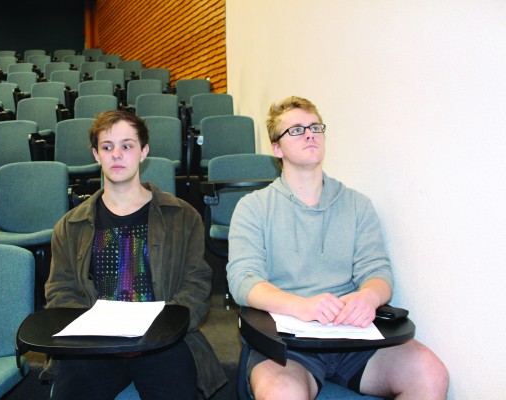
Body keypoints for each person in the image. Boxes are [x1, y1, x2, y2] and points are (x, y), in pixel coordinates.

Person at [226, 96, 449, 399]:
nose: (310, 134)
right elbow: (244, 280)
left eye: (316, 127)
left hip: (354, 339)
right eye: (296, 130)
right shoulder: (253, 207)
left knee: (430, 373)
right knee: (282, 394)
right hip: (288, 343)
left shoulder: (357, 205)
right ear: (276, 148)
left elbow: (378, 271)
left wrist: (368, 297)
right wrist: (301, 306)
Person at [44, 110, 227, 399]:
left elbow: (196, 287)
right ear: (96, 155)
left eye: (127, 146)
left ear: (143, 152)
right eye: (107, 147)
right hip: (95, 346)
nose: (116, 154)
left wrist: (156, 333)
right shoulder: (70, 226)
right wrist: (95, 333)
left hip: (162, 341)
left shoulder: (182, 217)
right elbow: (60, 293)